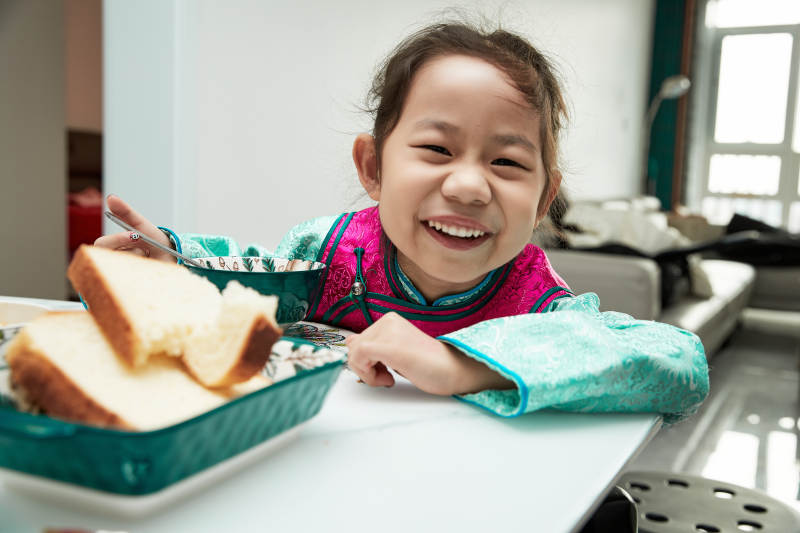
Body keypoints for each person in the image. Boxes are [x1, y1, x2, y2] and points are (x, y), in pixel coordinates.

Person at [96, 22, 708, 422]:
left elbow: (678, 365)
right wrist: (176, 268)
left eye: (506, 162)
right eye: (437, 150)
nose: (468, 185)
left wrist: (461, 366)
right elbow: (257, 283)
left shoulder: (535, 300)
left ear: (544, 198)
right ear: (373, 168)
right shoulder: (332, 253)